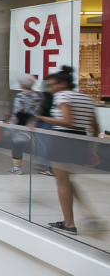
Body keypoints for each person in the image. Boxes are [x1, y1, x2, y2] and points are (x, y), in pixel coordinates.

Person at [36, 66, 100, 235]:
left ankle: (69, 224)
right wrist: (92, 150)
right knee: (67, 180)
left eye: (52, 85)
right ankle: (87, 212)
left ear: (63, 83)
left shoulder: (62, 95)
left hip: (62, 140)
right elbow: (95, 127)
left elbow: (68, 121)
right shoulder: (86, 98)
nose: (50, 89)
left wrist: (41, 118)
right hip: (79, 141)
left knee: (62, 182)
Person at [7, 75, 43, 174]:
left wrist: (11, 125)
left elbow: (17, 111)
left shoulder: (20, 96)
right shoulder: (39, 95)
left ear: (21, 84)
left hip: (21, 124)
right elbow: (39, 110)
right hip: (35, 123)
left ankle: (17, 168)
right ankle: (42, 165)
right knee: (38, 145)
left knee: (17, 145)